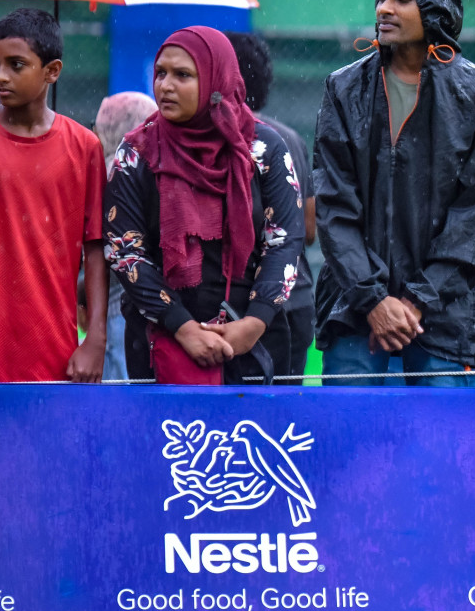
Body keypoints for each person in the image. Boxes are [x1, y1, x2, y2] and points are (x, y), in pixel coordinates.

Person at [315, 0, 475, 387]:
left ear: (435, 7)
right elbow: (333, 207)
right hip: (355, 305)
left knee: (441, 447)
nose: (384, 9)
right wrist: (374, 301)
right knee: (353, 442)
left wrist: (417, 302)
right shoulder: (343, 89)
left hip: (447, 311)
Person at [104, 26, 304, 385]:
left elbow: (285, 241)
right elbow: (125, 251)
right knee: (165, 441)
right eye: (161, 72)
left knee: (252, 440)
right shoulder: (137, 152)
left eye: (183, 75)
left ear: (216, 79)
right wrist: (182, 328)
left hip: (253, 340)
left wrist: (254, 322)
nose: (165, 85)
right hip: (160, 340)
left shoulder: (263, 149)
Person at [0, 8, 107, 387]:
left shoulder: (85, 147)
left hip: (51, 348)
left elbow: (96, 249)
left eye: (16, 64)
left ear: (52, 71)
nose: (0, 76)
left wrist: (96, 340)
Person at [227, 31, 317, 382]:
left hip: (248, 303)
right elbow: (307, 231)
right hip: (296, 298)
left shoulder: (252, 141)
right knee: (281, 412)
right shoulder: (290, 137)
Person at [93, 93, 160, 382]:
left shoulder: (110, 171)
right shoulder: (152, 166)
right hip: (149, 300)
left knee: (117, 385)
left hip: (117, 304)